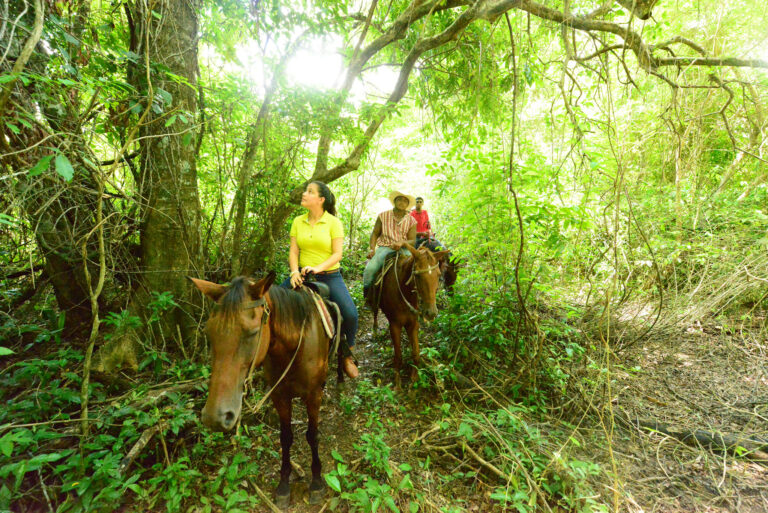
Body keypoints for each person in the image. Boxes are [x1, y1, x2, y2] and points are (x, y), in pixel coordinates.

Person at [283, 181, 359, 379]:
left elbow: (337, 254)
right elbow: (293, 250)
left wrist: (317, 268)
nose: (304, 194)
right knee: (271, 303)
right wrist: (294, 272)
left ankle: (347, 356)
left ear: (321, 199)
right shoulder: (298, 221)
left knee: (350, 314)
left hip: (329, 276)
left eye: (310, 192)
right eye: (305, 191)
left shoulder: (333, 222)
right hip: (300, 275)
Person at [362, 191, 418, 302]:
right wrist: (372, 249)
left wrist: (402, 242)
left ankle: (419, 300)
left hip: (404, 250)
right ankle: (368, 297)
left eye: (405, 201)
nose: (402, 202)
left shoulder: (411, 220)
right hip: (385, 248)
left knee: (418, 271)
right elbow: (375, 233)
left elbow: (412, 240)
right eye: (399, 199)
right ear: (394, 201)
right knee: (370, 269)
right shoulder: (383, 216)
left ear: (407, 205)